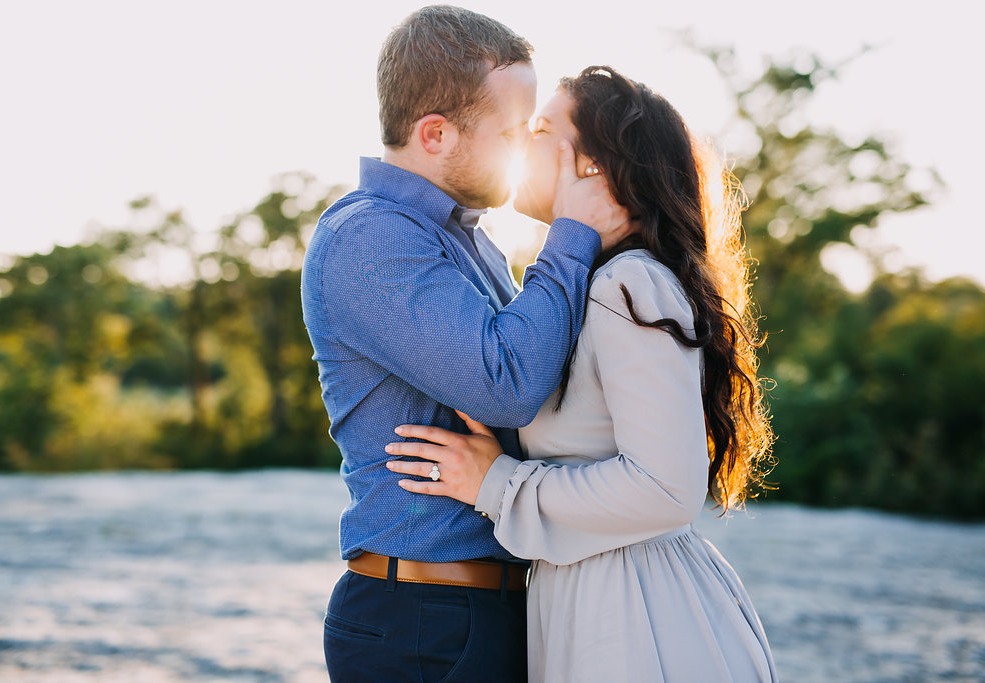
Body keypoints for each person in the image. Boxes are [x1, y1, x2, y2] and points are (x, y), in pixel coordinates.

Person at [385, 66, 779, 682]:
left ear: (591, 166)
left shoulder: (628, 285)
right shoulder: (596, 284)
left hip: (635, 617)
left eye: (540, 128)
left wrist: (498, 484)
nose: (520, 140)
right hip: (597, 597)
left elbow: (666, 488)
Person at [301, 7, 632, 682]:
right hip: (421, 622)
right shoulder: (370, 237)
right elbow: (506, 385)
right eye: (512, 130)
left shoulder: (470, 236)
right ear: (434, 134)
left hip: (477, 611)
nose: (525, 147)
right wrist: (572, 233)